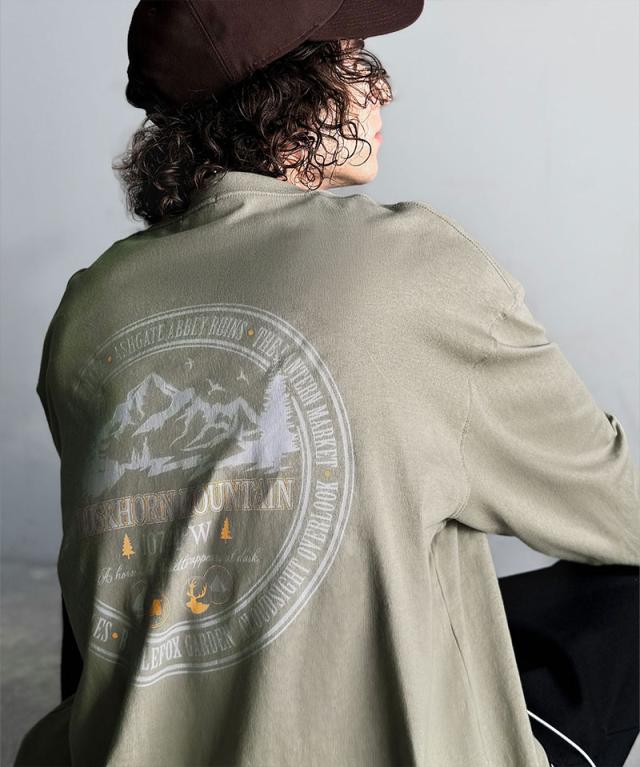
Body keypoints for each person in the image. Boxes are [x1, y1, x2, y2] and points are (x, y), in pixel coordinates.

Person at [14, 1, 639, 765]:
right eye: (355, 59)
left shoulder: (88, 305)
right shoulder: (412, 265)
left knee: (140, 536)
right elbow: (618, 511)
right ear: (285, 88)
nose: (383, 89)